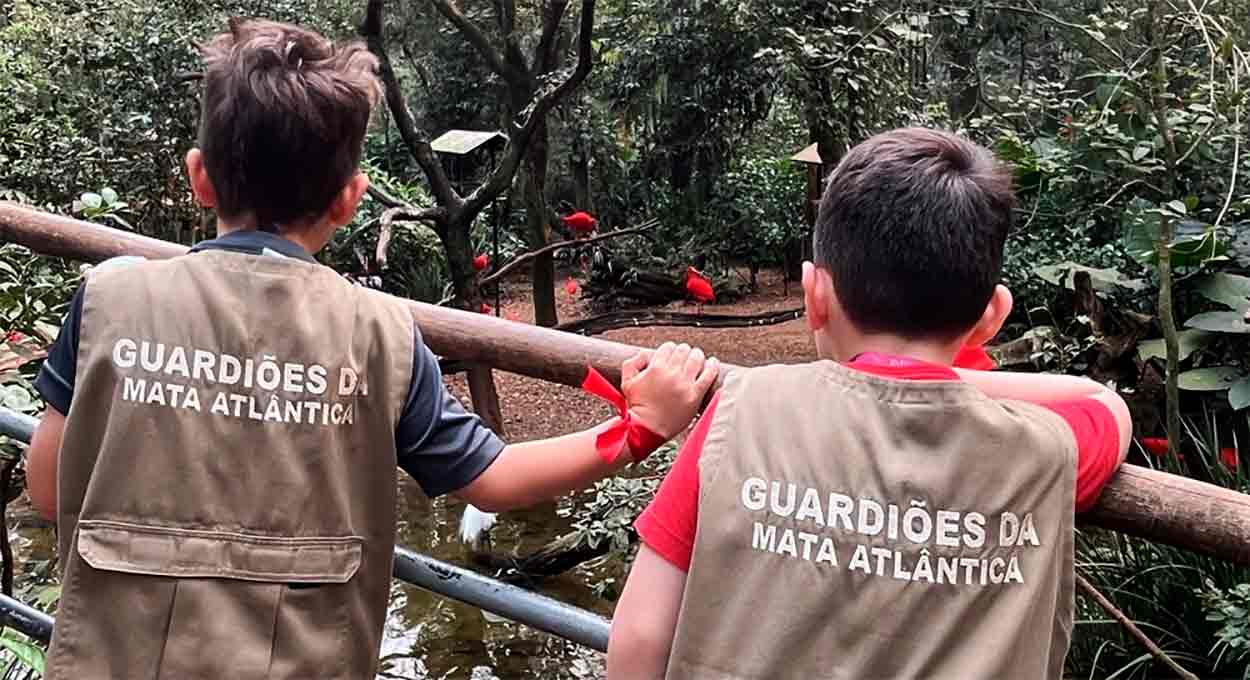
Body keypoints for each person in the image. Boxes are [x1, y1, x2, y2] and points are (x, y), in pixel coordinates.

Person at [24, 18, 718, 680]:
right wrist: (639, 429)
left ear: (199, 176)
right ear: (350, 200)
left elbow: (49, 490)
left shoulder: (112, 298)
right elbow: (492, 477)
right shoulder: (379, 332)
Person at [606, 128, 1132, 680]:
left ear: (814, 295)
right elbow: (1103, 403)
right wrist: (939, 378)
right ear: (991, 317)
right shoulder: (1043, 452)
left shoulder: (741, 411)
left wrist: (884, 376)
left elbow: (640, 635)